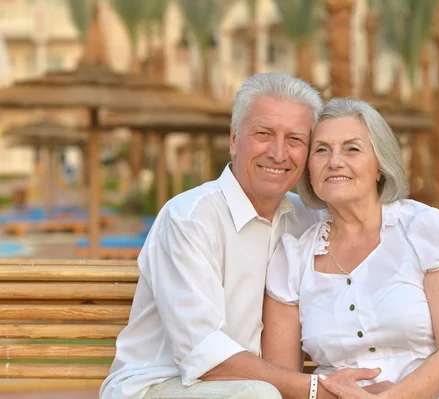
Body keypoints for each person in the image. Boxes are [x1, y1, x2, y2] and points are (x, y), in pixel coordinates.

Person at [100, 74, 380, 399]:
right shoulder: (189, 218)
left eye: (295, 140)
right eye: (263, 134)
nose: (278, 153)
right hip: (158, 387)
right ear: (234, 139)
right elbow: (204, 355)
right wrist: (320, 389)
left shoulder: (310, 221)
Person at [262, 98, 439, 399]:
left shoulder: (427, 230)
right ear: (309, 169)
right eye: (321, 150)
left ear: (379, 167)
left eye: (352, 149)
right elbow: (284, 381)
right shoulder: (292, 259)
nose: (334, 161)